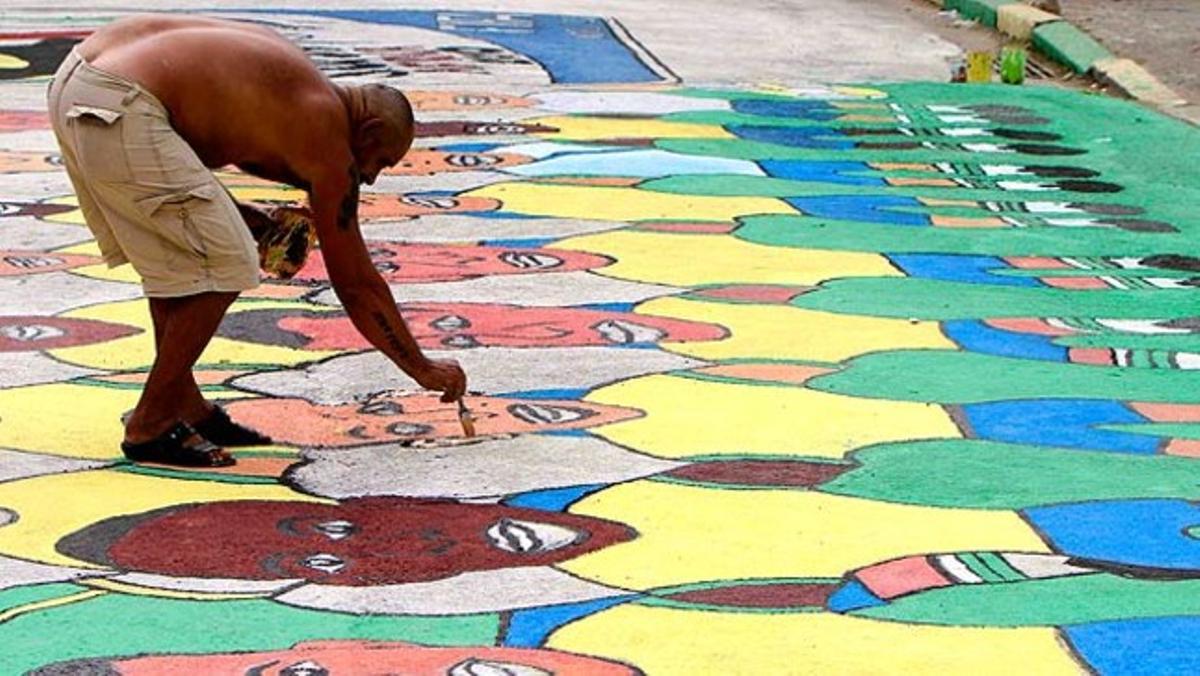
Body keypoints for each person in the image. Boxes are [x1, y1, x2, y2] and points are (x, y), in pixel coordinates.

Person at [47, 14, 467, 467]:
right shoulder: (326, 133)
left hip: (80, 80)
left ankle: (184, 404)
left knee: (182, 257)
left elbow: (181, 153)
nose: (367, 176)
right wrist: (421, 367)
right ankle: (151, 423)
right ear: (366, 132)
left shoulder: (295, 85)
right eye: (380, 162)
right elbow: (356, 282)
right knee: (225, 263)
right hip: (119, 103)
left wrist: (245, 216)